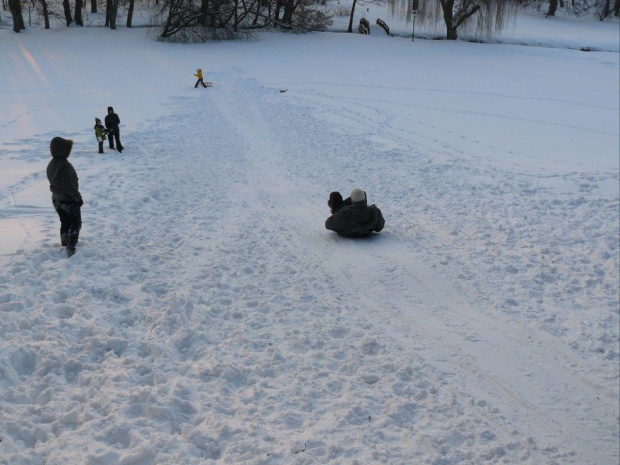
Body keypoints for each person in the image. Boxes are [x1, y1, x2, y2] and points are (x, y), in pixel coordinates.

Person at [46, 137, 83, 257]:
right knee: (76, 223)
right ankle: (71, 247)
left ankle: (64, 241)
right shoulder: (65, 165)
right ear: (63, 150)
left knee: (65, 221)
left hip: (56, 199)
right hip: (68, 200)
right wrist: (77, 197)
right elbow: (68, 185)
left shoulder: (52, 163)